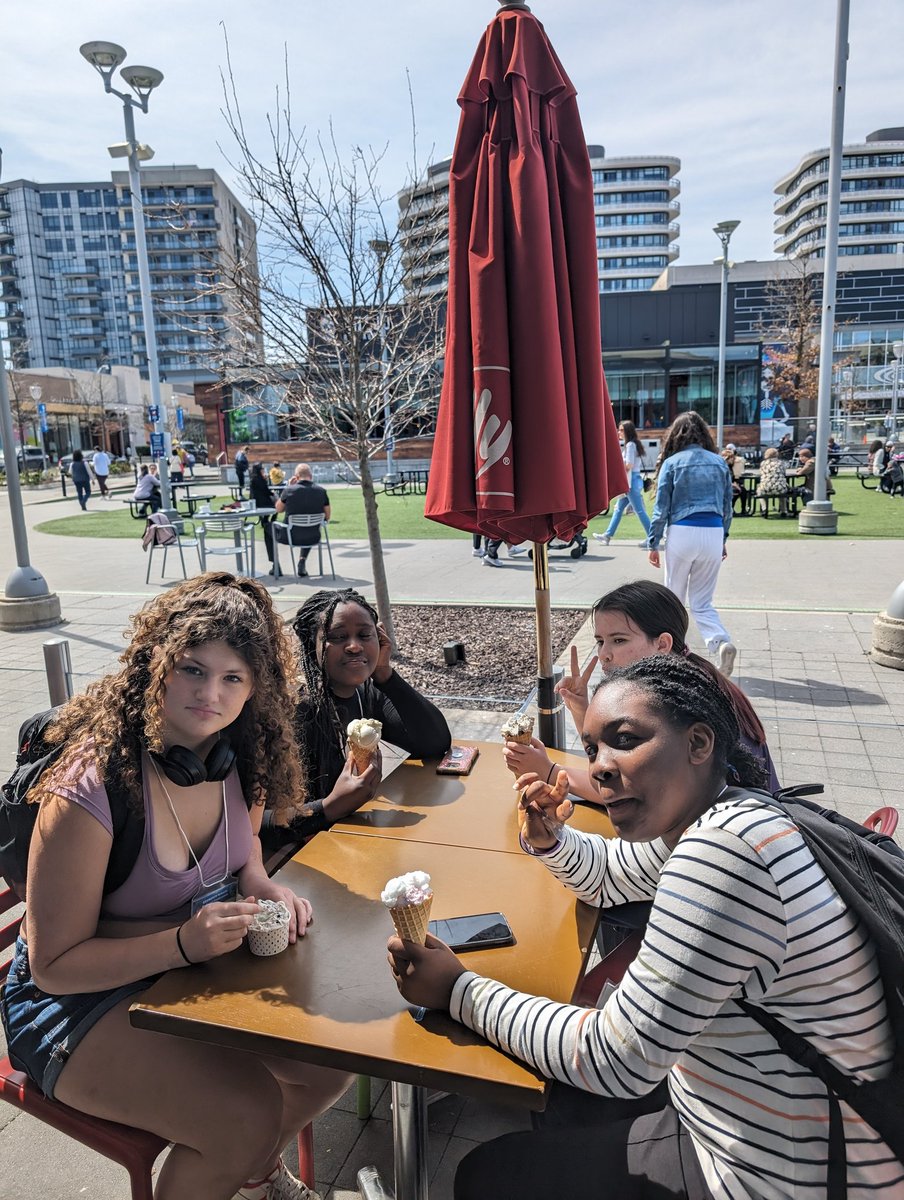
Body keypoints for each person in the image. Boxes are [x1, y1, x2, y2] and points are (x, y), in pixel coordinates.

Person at [389, 654, 898, 1200]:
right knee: (561, 1103)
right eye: (592, 749)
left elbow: (618, 1058)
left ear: (699, 745)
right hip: (763, 1118)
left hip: (782, 1174)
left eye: (625, 739)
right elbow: (611, 876)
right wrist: (548, 839)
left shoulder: (726, 853)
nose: (601, 767)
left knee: (487, 1174)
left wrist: (456, 990)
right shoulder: (737, 814)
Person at [0, 573, 349, 1200]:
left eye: (232, 678)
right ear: (155, 662)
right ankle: (242, 1159)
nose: (210, 694)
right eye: (192, 669)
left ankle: (249, 1176)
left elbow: (244, 862)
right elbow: (53, 966)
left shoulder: (239, 754)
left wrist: (265, 887)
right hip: (70, 1003)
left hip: (181, 970)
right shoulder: (92, 785)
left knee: (328, 1065)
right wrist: (184, 945)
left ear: (256, 690)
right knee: (243, 1116)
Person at [503, 580, 779, 799]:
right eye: (600, 641)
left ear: (662, 644)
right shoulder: (699, 678)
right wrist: (581, 708)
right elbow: (610, 767)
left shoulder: (667, 707)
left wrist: (549, 771)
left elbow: (618, 792)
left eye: (619, 640)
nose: (604, 654)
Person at [264, 588, 451, 845]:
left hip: (354, 840)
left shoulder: (366, 693)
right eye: (338, 637)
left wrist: (385, 673)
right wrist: (329, 806)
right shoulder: (296, 714)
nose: (354, 646)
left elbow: (433, 742)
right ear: (311, 644)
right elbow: (258, 825)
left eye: (365, 635)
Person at [646, 411, 736, 676]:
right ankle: (720, 641)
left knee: (673, 597)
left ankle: (672, 652)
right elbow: (727, 506)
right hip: (713, 531)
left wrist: (653, 542)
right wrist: (723, 539)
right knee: (702, 601)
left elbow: (661, 507)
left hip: (682, 531)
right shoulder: (719, 463)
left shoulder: (673, 462)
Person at [592, 420, 651, 546]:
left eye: (621, 430)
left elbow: (628, 465)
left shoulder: (630, 445)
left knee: (639, 511)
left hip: (630, 482)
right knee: (619, 509)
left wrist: (615, 467)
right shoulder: (633, 444)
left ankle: (653, 537)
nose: (619, 432)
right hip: (632, 481)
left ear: (627, 431)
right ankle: (607, 535)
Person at [273, 464, 330, 578]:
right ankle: (302, 560)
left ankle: (275, 565)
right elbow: (327, 516)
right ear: (311, 476)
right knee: (308, 527)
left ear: (297, 477)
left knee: (269, 527)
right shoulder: (321, 491)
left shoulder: (289, 490)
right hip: (313, 536)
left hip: (290, 536)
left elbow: (278, 509)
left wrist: (288, 487)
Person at [249, 463, 279, 576]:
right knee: (276, 503)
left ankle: (266, 522)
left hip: (258, 502)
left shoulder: (254, 479)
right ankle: (268, 521)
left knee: (268, 526)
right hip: (262, 503)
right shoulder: (258, 479)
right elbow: (265, 491)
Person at [755, 446, 790, 516]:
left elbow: (761, 473)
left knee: (759, 491)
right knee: (783, 493)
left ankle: (764, 509)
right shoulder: (781, 463)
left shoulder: (763, 463)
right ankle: (784, 510)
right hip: (779, 488)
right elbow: (784, 473)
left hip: (766, 488)